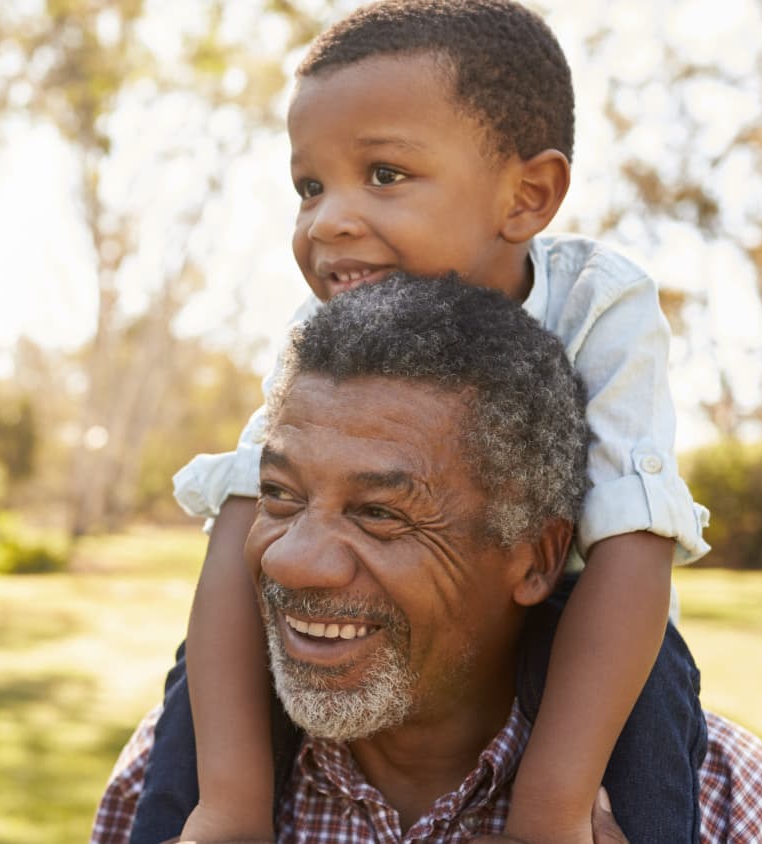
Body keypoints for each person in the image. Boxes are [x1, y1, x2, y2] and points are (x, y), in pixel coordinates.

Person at [134, 2, 715, 843]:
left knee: (652, 676)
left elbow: (633, 541)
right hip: (382, 639)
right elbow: (241, 521)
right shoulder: (321, 331)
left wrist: (551, 811)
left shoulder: (599, 301)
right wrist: (227, 803)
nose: (327, 218)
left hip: (574, 616)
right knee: (208, 666)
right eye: (310, 186)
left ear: (527, 196)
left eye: (383, 175)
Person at [97, 277, 762, 843]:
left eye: (379, 512)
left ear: (537, 560)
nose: (293, 562)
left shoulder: (731, 805)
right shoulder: (170, 781)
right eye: (280, 496)